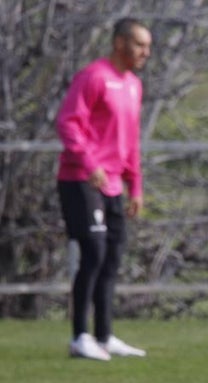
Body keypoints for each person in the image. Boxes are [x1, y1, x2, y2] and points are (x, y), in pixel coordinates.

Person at [57, 17, 152, 361]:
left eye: (148, 46)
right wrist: (88, 162)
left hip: (112, 184)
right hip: (80, 180)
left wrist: (135, 186)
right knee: (94, 252)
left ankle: (104, 335)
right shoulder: (94, 77)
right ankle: (80, 336)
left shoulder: (133, 85)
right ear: (119, 43)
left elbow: (130, 141)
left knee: (111, 257)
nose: (146, 52)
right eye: (140, 45)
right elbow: (68, 122)